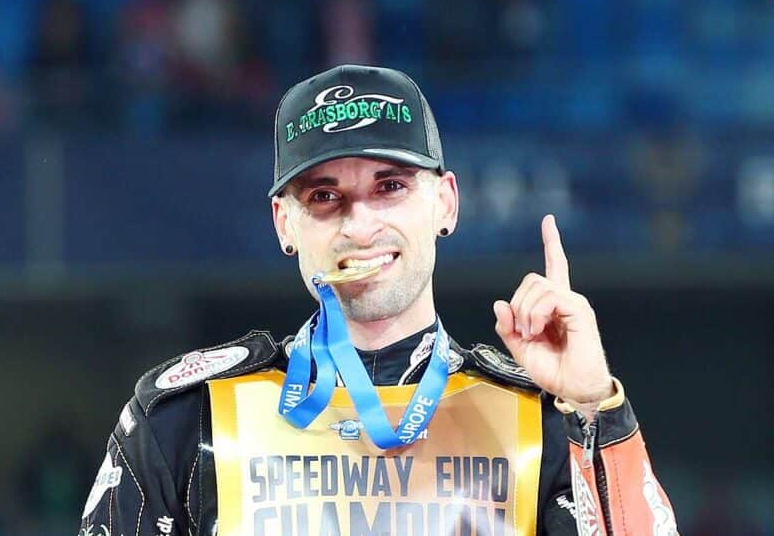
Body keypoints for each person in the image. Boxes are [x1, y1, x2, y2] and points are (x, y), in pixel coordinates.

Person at [78, 65, 678, 535]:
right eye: (324, 196)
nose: (360, 226)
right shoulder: (189, 418)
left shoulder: (539, 420)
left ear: (445, 203)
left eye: (390, 186)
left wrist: (593, 409)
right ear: (284, 223)